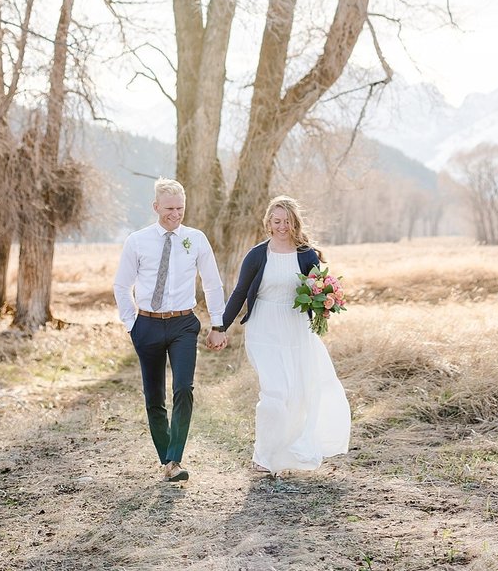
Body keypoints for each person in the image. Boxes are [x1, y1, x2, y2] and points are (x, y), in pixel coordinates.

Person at [219, 195, 350, 475]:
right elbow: (240, 292)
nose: (281, 226)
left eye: (287, 221)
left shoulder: (306, 254)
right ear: (268, 222)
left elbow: (318, 290)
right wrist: (221, 326)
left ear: (295, 223)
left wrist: (324, 309)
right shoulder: (257, 255)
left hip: (295, 327)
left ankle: (289, 451)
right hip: (263, 327)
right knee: (274, 392)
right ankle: (263, 457)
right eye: (276, 221)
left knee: (297, 393)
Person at [113, 177, 228, 483]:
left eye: (180, 208)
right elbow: (122, 285)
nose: (175, 214)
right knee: (154, 397)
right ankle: (166, 459)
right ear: (155, 207)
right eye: (169, 208)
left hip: (183, 323)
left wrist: (218, 323)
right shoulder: (137, 241)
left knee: (184, 389)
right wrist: (131, 324)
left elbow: (213, 283)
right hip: (147, 324)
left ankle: (175, 459)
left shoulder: (196, 239)